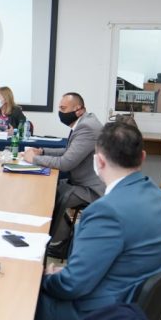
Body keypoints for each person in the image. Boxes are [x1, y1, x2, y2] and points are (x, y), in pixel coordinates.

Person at [32, 121, 161, 320]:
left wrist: (45, 278)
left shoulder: (106, 211)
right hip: (133, 305)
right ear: (142, 157)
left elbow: (72, 286)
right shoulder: (157, 196)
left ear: (98, 161)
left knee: (26, 299)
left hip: (103, 312)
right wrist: (67, 272)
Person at [23, 92, 104, 247]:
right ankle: (62, 236)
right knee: (44, 188)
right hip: (80, 181)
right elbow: (69, 151)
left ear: (78, 109)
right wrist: (42, 151)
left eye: (63, 108)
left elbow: (66, 163)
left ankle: (61, 241)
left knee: (47, 196)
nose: (60, 112)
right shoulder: (83, 122)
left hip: (91, 189)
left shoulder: (87, 127)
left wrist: (34, 159)